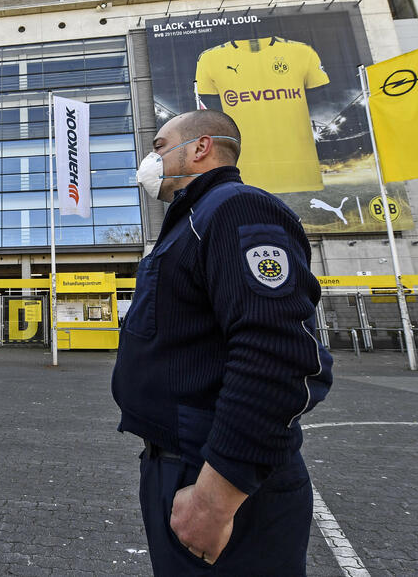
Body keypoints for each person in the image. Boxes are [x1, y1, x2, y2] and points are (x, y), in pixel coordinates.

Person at [112, 110, 333, 575]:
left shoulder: (237, 208)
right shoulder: (191, 219)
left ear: (199, 148)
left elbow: (278, 357)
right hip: (179, 464)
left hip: (215, 476)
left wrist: (216, 498)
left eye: (158, 145)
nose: (150, 158)